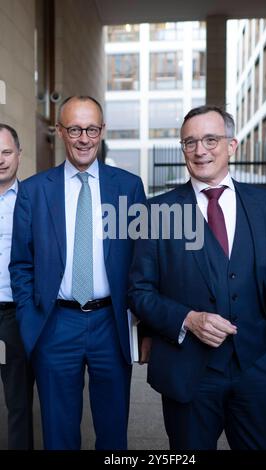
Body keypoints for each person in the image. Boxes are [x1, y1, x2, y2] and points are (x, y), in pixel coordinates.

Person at [128, 105, 266, 450]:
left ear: (232, 145)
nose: (200, 150)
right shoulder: (156, 211)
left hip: (257, 370)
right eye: (190, 142)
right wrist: (187, 319)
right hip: (189, 373)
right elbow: (138, 291)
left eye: (210, 139)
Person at [9, 96, 146, 450]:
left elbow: (141, 260)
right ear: (60, 131)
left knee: (114, 433)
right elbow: (21, 264)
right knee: (58, 434)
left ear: (102, 131)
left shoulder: (128, 188)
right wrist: (30, 319)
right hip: (55, 324)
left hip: (111, 324)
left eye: (91, 129)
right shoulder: (35, 191)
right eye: (74, 129)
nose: (83, 138)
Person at [0, 124, 34, 449]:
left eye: (6, 152)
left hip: (14, 314)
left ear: (19, 156)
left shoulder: (34, 200)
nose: (0, 159)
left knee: (18, 401)